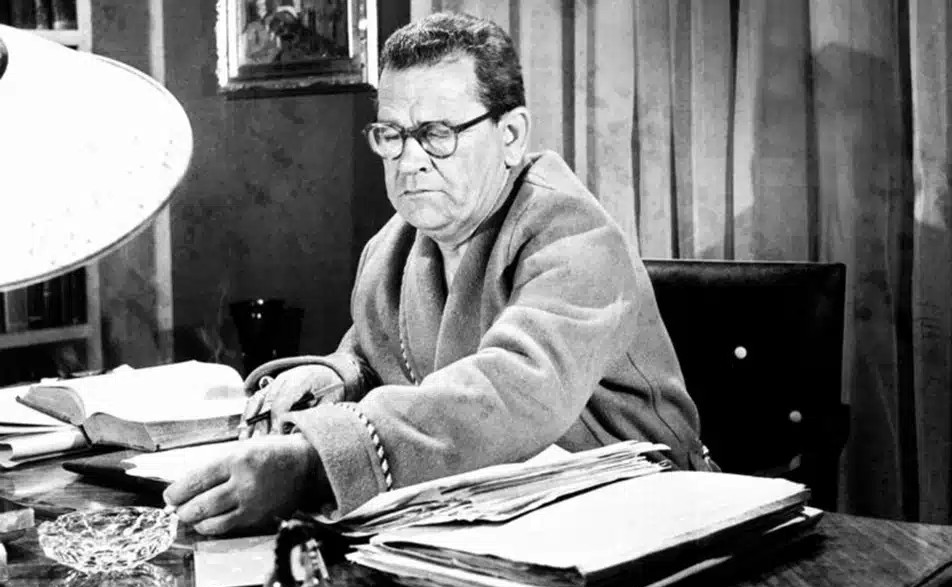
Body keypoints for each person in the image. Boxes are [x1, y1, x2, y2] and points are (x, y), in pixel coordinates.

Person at [163, 11, 718, 535]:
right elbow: (377, 356)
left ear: (511, 136)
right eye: (392, 134)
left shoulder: (576, 237)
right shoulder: (393, 245)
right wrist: (333, 377)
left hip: (650, 513)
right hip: (495, 510)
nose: (409, 161)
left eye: (437, 134)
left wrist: (313, 460)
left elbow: (511, 392)